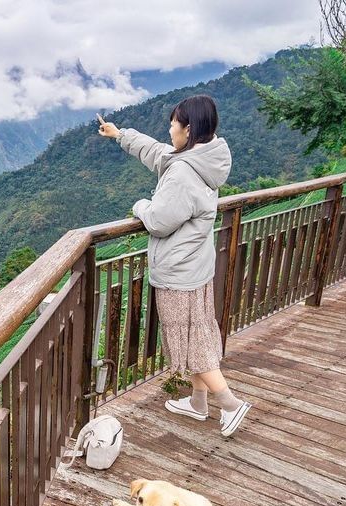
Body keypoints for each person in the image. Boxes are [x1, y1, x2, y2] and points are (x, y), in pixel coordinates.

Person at [96, 95, 251, 437]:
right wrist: (121, 134)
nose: (169, 128)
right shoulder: (202, 158)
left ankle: (230, 404)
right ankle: (198, 402)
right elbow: (157, 152)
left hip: (179, 273)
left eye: (173, 123)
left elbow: (160, 221)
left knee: (193, 342)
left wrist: (140, 205)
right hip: (196, 267)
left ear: (188, 128)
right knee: (196, 334)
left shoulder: (183, 172)